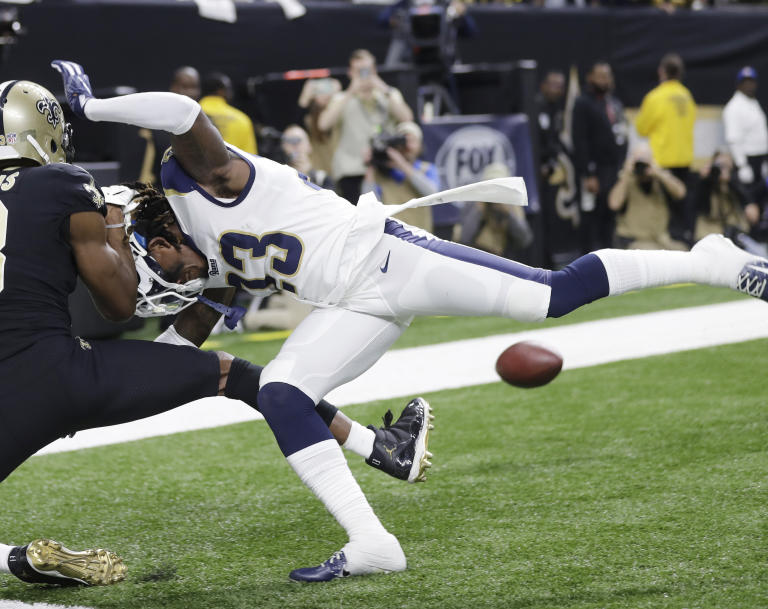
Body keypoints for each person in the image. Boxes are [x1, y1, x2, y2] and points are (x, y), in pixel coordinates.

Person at [54, 58, 768, 582]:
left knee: (549, 296)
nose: (175, 284)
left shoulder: (200, 177)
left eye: (166, 272)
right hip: (352, 304)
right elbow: (180, 349)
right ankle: (372, 541)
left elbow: (181, 112)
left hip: (388, 257)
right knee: (281, 391)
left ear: (160, 235)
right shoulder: (201, 258)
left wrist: (90, 111)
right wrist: (94, 394)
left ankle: (704, 259)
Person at [0, 80, 430, 586]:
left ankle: (17, 560)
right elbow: (116, 307)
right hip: (68, 377)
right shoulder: (63, 184)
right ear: (44, 132)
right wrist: (114, 222)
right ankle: (378, 446)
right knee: (239, 376)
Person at [318, 49, 413, 204]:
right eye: (359, 71)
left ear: (374, 70)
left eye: (367, 70)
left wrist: (383, 88)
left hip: (385, 167)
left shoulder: (388, 94)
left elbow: (407, 118)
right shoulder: (341, 98)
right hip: (352, 170)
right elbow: (323, 124)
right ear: (350, 72)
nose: (364, 75)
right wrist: (351, 92)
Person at [635, 53, 697, 243]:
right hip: (685, 160)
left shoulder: (655, 97)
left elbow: (641, 128)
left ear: (661, 72)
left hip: (662, 161)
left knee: (665, 213)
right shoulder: (687, 96)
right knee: (682, 208)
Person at [571, 62, 628, 253]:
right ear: (590, 78)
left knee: (610, 215)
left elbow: (622, 135)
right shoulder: (582, 103)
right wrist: (588, 174)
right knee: (590, 216)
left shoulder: (614, 103)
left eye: (608, 75)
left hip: (614, 170)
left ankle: (609, 258)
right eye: (601, 76)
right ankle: (587, 259)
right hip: (595, 171)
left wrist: (622, 167)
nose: (605, 80)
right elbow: (580, 141)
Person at [362, 121, 439, 233]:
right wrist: (372, 162)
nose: (407, 146)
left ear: (420, 145)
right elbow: (368, 206)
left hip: (421, 236)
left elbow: (431, 193)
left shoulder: (426, 169)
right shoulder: (384, 173)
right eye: (402, 140)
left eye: (411, 141)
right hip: (393, 238)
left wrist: (401, 164)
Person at [608, 144, 688, 251]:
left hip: (661, 239)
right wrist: (626, 173)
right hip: (635, 241)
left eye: (645, 162)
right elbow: (614, 204)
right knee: (654, 254)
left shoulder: (659, 179)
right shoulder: (626, 180)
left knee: (683, 251)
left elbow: (681, 193)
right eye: (638, 162)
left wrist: (659, 172)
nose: (641, 166)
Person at [453, 163, 533, 259]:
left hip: (503, 259)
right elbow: (464, 239)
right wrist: (479, 211)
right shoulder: (473, 203)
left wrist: (508, 213)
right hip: (476, 258)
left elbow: (525, 240)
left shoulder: (512, 206)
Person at [695, 151, 766, 256]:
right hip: (711, 238)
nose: (722, 169)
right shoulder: (705, 184)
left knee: (761, 254)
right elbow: (702, 207)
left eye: (726, 166)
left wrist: (730, 181)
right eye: (719, 165)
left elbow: (751, 211)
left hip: (737, 237)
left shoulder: (736, 184)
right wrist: (706, 180)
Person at [723, 66, 768, 207]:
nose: (749, 85)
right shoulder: (734, 107)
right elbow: (733, 139)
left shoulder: (753, 103)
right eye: (745, 81)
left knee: (760, 202)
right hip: (747, 161)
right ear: (739, 84)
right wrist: (742, 165)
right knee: (749, 203)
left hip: (760, 160)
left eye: (752, 81)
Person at [199, 72, 257, 154]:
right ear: (221, 91)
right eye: (229, 89)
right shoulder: (242, 120)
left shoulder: (191, 115)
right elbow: (251, 158)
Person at [297, 77, 341, 175]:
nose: (325, 94)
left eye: (327, 89)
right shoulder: (309, 119)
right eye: (320, 91)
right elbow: (295, 127)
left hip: (338, 168)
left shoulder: (339, 111)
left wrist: (337, 95)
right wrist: (304, 98)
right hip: (318, 169)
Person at [281, 124, 332, 189]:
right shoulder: (278, 176)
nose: (294, 146)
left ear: (309, 146)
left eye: (298, 140)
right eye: (289, 141)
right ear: (282, 147)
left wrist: (308, 175)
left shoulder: (322, 179)